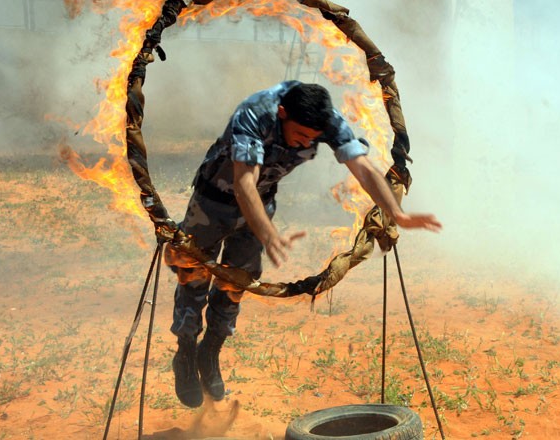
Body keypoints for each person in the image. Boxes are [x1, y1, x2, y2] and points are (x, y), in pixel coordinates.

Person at [164, 80, 441, 408]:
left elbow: (362, 167)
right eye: (300, 135)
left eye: (313, 138)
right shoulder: (255, 113)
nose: (307, 142)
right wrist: (268, 234)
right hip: (213, 202)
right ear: (282, 113)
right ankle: (185, 352)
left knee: (237, 281)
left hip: (261, 201)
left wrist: (396, 212)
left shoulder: (325, 119)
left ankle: (209, 352)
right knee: (192, 275)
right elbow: (243, 184)